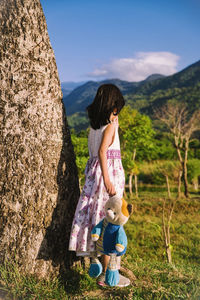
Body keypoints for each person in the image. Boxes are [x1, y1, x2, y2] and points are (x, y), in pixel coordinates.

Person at [68, 83, 125, 286]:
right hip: (106, 176)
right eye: (116, 110)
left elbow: (97, 153)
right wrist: (109, 180)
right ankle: (110, 274)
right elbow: (103, 152)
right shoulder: (109, 127)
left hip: (94, 176)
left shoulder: (94, 127)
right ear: (113, 107)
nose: (117, 114)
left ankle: (96, 261)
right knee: (110, 221)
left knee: (95, 217)